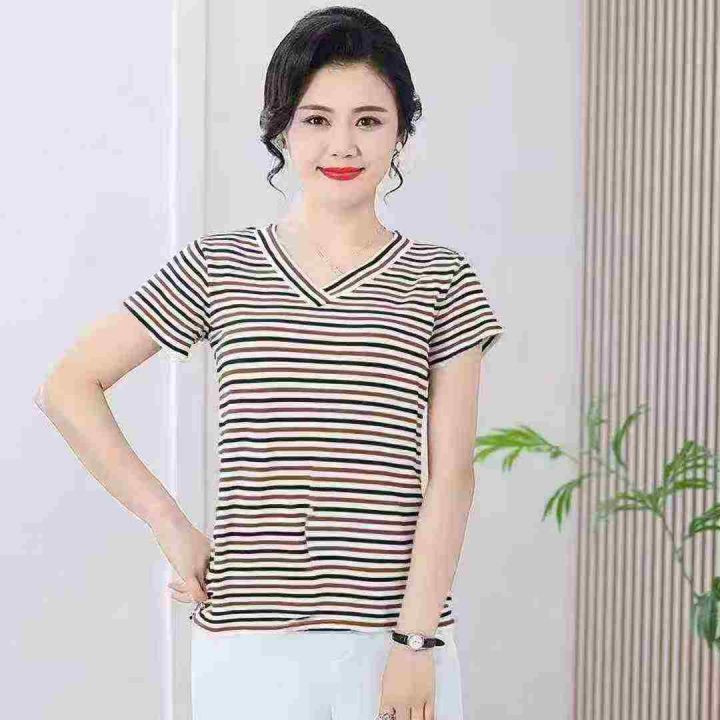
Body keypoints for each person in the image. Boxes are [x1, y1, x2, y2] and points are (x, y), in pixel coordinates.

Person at [35, 6, 505, 720]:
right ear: (282, 128)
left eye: (369, 120)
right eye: (316, 119)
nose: (342, 143)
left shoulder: (441, 279)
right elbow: (69, 387)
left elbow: (453, 476)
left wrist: (416, 642)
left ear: (401, 133)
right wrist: (169, 523)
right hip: (247, 645)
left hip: (395, 642)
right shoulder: (219, 265)